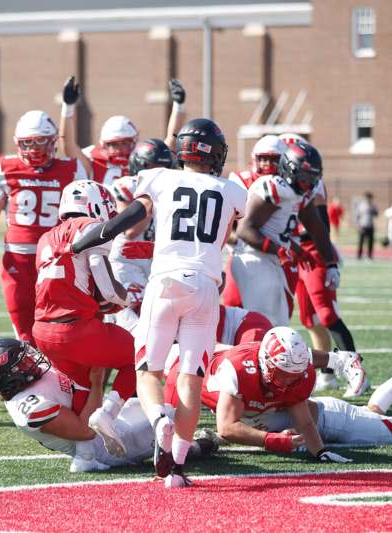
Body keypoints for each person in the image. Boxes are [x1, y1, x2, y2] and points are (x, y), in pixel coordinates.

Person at [71, 118, 247, 487]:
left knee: (148, 371)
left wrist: (95, 236)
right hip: (205, 287)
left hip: (165, 280)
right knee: (191, 379)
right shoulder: (231, 190)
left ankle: (158, 421)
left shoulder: (160, 178)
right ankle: (177, 469)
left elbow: (133, 215)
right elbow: (227, 228)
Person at [0, 339, 219, 473]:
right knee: (169, 415)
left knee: (151, 404)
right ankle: (197, 448)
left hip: (104, 420)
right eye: (24, 362)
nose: (32, 359)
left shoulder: (33, 381)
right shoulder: (30, 407)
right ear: (12, 377)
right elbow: (85, 430)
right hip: (104, 446)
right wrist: (96, 383)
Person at [32, 180, 136, 457]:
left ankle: (86, 457)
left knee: (83, 389)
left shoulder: (47, 237)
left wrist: (96, 306)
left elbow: (69, 285)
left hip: (43, 329)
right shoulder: (89, 227)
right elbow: (105, 286)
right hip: (75, 329)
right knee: (142, 355)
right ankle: (109, 414)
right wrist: (126, 299)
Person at [0, 110, 87, 343]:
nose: (34, 148)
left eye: (40, 142)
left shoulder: (71, 168)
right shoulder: (6, 167)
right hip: (19, 259)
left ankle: (62, 378)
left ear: (53, 141)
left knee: (58, 328)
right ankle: (35, 379)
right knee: (25, 332)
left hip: (57, 258)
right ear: (18, 143)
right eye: (28, 143)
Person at [164, 327, 351, 463]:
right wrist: (273, 440)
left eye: (295, 376)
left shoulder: (292, 369)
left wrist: (321, 452)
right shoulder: (238, 369)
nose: (289, 381)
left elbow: (306, 422)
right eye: (283, 374)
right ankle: (202, 443)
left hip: (232, 371)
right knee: (169, 444)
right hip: (181, 366)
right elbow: (227, 427)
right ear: (266, 365)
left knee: (309, 406)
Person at [246, 346, 392, 445]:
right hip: (327, 412)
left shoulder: (259, 381)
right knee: (373, 413)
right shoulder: (246, 384)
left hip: (333, 420)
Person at [234, 142, 339, 328]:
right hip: (253, 259)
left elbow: (317, 227)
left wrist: (330, 264)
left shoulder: (300, 193)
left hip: (272, 259)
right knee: (266, 326)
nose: (309, 184)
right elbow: (245, 229)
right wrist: (282, 250)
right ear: (289, 169)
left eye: (314, 178)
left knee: (279, 324)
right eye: (305, 177)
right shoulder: (274, 187)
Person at [294, 177, 362, 394]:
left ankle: (357, 374)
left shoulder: (311, 182)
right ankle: (328, 373)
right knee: (310, 320)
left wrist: (329, 260)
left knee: (327, 316)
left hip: (315, 252)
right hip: (297, 255)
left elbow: (321, 224)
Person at [59, 76, 186, 186]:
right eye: (114, 144)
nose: (120, 149)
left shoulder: (145, 159)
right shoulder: (93, 161)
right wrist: (68, 106)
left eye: (125, 143)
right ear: (103, 144)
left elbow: (172, 140)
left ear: (135, 141)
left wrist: (179, 106)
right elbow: (68, 144)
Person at [106, 139, 175, 333]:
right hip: (125, 263)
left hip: (154, 263)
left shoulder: (171, 189)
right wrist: (152, 200)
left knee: (160, 318)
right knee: (134, 324)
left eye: (164, 167)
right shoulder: (126, 185)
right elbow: (130, 230)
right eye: (155, 166)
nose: (160, 172)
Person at [222, 134, 286, 308]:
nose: (267, 164)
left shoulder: (287, 185)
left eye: (273, 159)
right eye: (263, 158)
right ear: (254, 159)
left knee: (275, 309)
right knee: (233, 304)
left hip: (276, 257)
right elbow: (226, 225)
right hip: (243, 253)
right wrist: (239, 240)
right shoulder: (241, 180)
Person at [355, 191, 378, 260]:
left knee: (370, 241)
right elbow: (357, 216)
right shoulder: (361, 205)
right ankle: (359, 255)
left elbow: (376, 214)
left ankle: (369, 255)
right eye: (367, 198)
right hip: (363, 225)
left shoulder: (373, 205)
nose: (368, 199)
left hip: (370, 225)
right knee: (361, 241)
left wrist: (372, 209)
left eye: (369, 198)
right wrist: (358, 225)